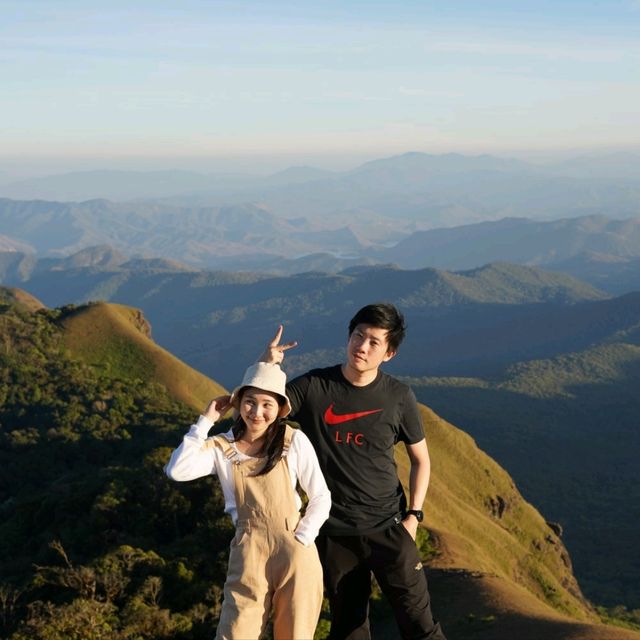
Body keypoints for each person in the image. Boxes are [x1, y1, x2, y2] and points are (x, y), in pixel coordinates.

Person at [262, 303, 446, 640]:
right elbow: (260, 413)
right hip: (335, 533)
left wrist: (414, 516)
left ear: (389, 353)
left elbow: (421, 459)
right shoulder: (314, 387)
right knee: (349, 630)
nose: (361, 346)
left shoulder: (399, 397)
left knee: (421, 627)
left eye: (374, 342)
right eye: (358, 336)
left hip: (389, 528)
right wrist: (268, 367)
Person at [165, 361, 331, 640]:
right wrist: (205, 422)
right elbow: (176, 470)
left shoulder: (293, 440)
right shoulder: (221, 448)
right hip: (248, 547)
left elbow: (320, 496)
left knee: (296, 635)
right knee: (235, 632)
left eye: (267, 404)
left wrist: (302, 537)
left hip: (295, 546)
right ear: (239, 403)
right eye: (250, 402)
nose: (257, 412)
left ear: (279, 409)